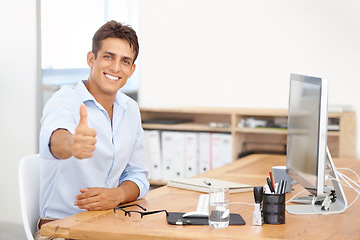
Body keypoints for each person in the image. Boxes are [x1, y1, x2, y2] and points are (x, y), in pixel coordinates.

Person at [36, 20, 149, 240]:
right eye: (108, 56)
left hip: (108, 225)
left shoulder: (130, 109)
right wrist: (71, 144)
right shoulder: (65, 100)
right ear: (91, 59)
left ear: (132, 69)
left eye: (125, 61)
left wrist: (117, 194)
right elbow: (54, 138)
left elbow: (137, 175)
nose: (116, 68)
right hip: (61, 230)